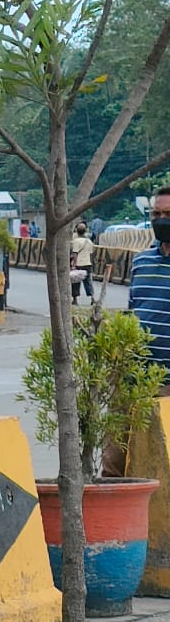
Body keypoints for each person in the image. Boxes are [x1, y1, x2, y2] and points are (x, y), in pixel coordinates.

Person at [106, 187, 170, 476]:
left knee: (160, 465)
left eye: (168, 214)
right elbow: (134, 312)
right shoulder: (141, 262)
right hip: (132, 377)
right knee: (115, 455)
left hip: (166, 381)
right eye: (156, 214)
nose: (161, 220)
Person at [70, 223, 96, 305]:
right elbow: (91, 254)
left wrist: (73, 264)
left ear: (77, 232)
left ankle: (75, 299)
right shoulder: (89, 241)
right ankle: (92, 298)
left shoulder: (76, 241)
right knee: (88, 281)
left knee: (75, 282)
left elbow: (75, 254)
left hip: (78, 264)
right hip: (87, 264)